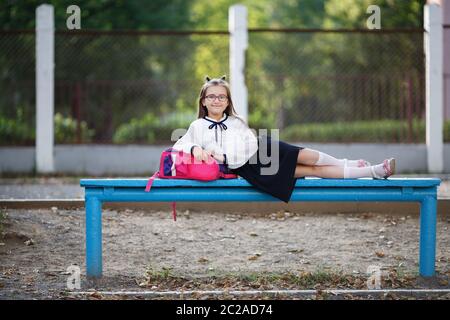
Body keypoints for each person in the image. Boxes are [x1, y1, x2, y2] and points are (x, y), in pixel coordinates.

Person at [173, 75, 395, 203]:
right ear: (203, 101)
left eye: (222, 96)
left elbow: (250, 142)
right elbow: (180, 144)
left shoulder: (236, 121)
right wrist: (195, 149)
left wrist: (230, 150)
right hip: (250, 170)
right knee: (311, 171)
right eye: (211, 96)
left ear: (228, 101)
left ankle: (348, 163)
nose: (217, 100)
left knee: (305, 155)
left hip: (263, 150)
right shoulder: (198, 126)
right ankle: (374, 171)